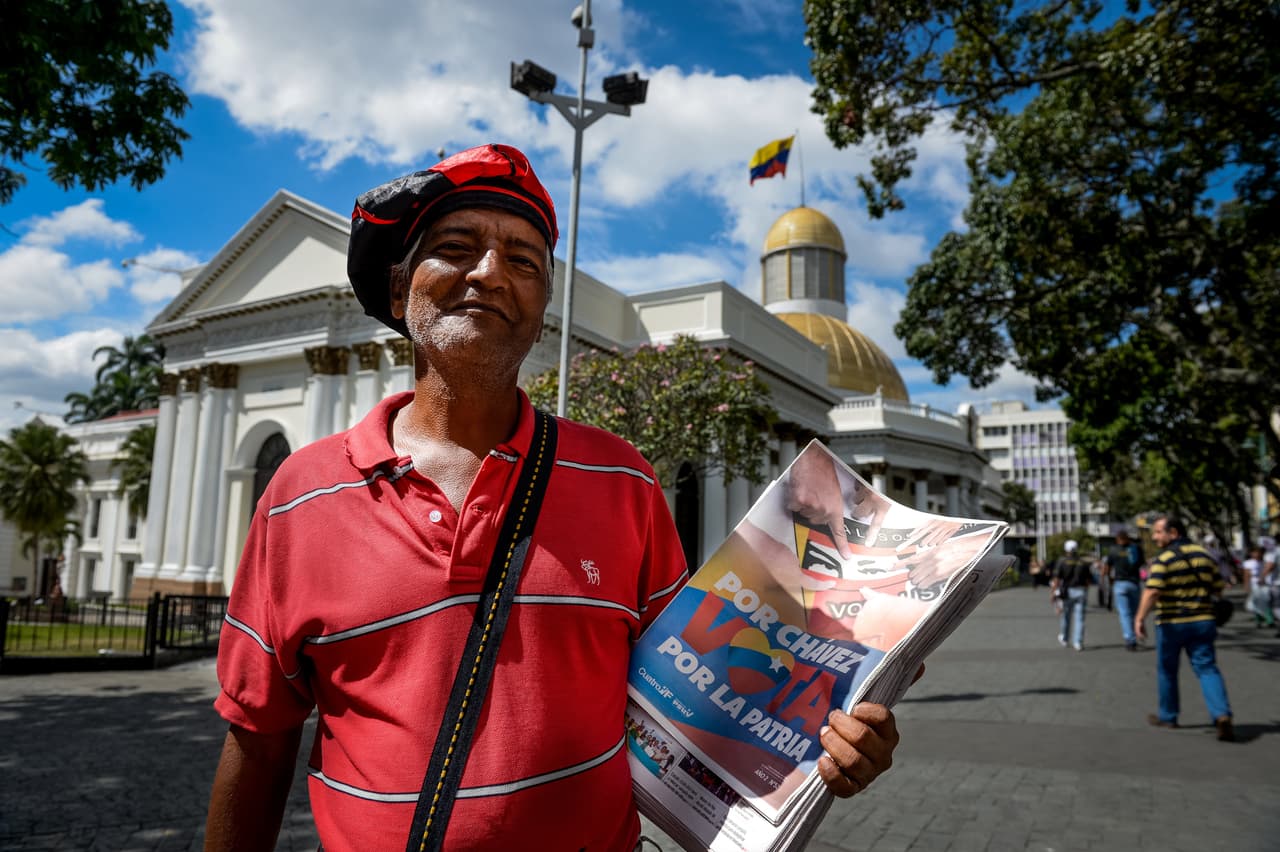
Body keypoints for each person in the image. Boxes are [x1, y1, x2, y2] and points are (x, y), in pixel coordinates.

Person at [203, 144, 903, 852]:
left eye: (523, 261)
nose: (489, 273)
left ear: (541, 313)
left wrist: (822, 737)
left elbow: (692, 690)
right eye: (456, 247)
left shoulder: (623, 482)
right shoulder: (301, 495)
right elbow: (259, 741)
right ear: (397, 290)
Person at [1135, 514, 1234, 741]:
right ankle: (1222, 715)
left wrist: (1139, 618)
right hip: (1203, 621)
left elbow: (1152, 590)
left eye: (1159, 532)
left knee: (1167, 670)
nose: (1155, 537)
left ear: (1174, 533)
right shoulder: (1205, 556)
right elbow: (1218, 588)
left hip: (1172, 623)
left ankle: (1168, 716)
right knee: (1207, 668)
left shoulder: (1164, 559)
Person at [1105, 529, 1146, 650]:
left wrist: (1108, 580)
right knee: (1134, 612)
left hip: (1120, 583)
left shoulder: (1113, 550)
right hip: (1134, 583)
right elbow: (1142, 565)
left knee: (1124, 613)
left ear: (1118, 539)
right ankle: (1136, 633)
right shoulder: (1136, 548)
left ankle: (1130, 639)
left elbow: (1108, 567)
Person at [1051, 539, 1090, 650]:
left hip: (1067, 592)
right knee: (1080, 618)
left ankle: (1065, 638)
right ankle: (1078, 642)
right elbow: (1088, 580)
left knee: (1066, 616)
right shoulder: (1083, 562)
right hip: (1081, 590)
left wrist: (1053, 593)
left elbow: (1057, 579)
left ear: (1066, 549)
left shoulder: (1062, 561)